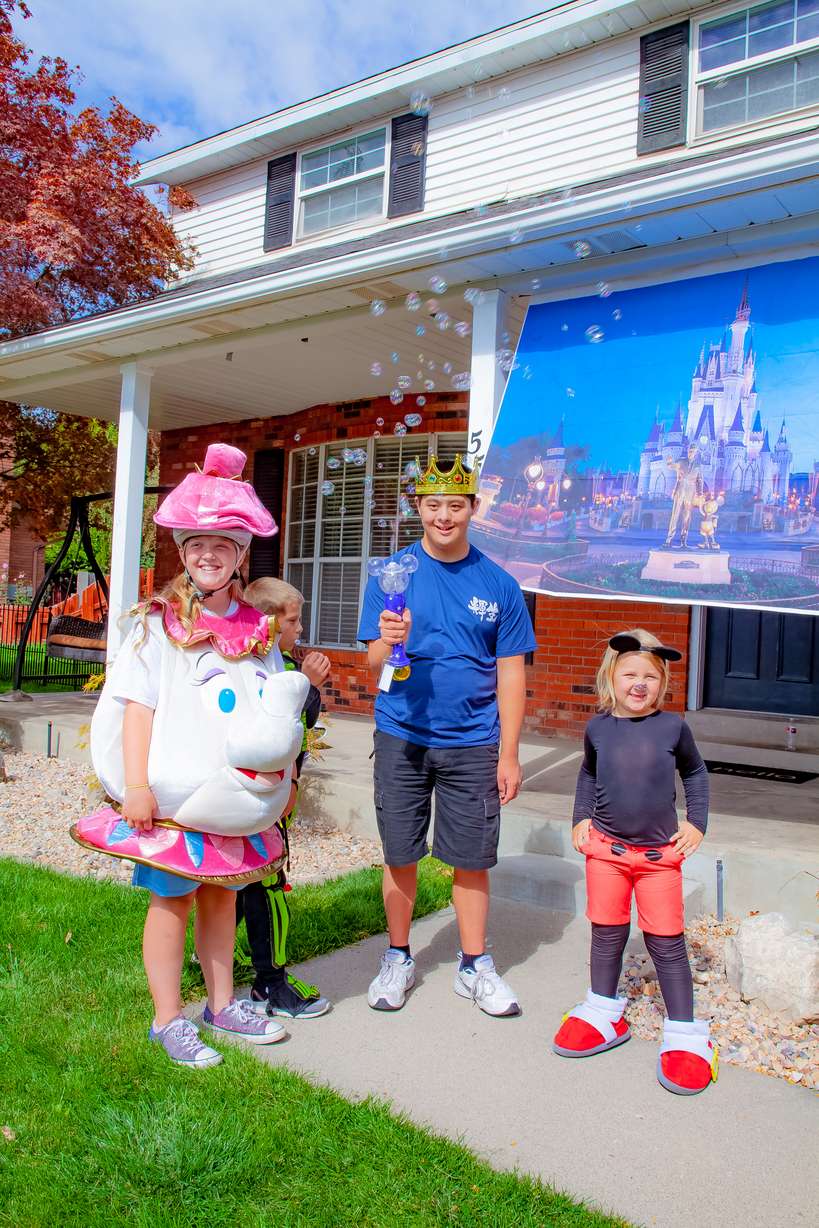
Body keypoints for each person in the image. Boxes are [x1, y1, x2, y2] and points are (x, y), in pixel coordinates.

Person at [89, 443, 300, 1068]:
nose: (207, 556)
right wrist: (136, 784)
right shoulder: (157, 623)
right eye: (195, 546)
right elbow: (137, 705)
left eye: (221, 546)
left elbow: (270, 708)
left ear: (239, 556)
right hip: (175, 795)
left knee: (223, 895)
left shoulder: (257, 632)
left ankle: (221, 1002)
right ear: (183, 553)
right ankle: (166, 1018)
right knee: (172, 898)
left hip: (229, 797)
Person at [357, 454, 536, 1017]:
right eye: (433, 505)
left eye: (455, 505)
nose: (444, 516)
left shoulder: (499, 585)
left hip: (474, 742)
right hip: (402, 736)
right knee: (400, 852)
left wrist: (509, 753)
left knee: (472, 858)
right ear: (419, 509)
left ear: (473, 509)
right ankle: (399, 956)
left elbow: (512, 671)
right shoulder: (392, 575)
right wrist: (388, 639)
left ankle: (473, 964)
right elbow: (372, 666)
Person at [551, 629, 718, 1096]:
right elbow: (587, 772)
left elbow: (696, 773)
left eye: (651, 675)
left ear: (662, 682)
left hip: (659, 857)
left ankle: (685, 1032)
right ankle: (603, 1009)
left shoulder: (673, 727)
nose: (639, 683)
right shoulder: (598, 728)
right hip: (607, 851)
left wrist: (697, 823)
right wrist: (580, 818)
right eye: (630, 674)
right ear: (611, 677)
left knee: (665, 940)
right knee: (606, 930)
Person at [238, 577, 332, 1019]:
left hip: (272, 788)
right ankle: (270, 983)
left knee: (243, 877)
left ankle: (213, 951)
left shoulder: (277, 658)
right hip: (263, 790)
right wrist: (308, 686)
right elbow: (281, 727)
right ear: (269, 621)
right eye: (292, 620)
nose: (299, 628)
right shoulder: (260, 663)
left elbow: (304, 730)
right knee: (268, 882)